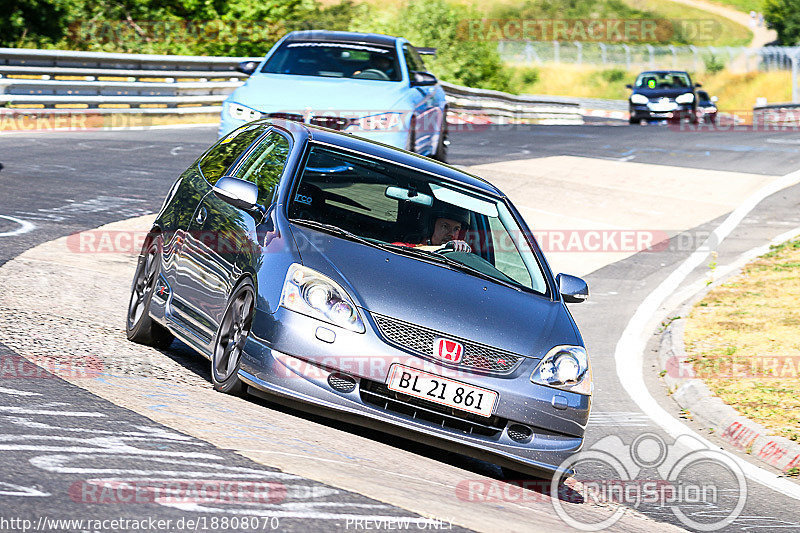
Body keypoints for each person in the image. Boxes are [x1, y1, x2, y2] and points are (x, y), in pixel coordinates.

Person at [394, 204, 472, 253]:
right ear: (429, 227)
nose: (451, 234)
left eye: (456, 229)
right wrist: (442, 248)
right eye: (445, 226)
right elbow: (394, 249)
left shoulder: (460, 259)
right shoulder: (405, 247)